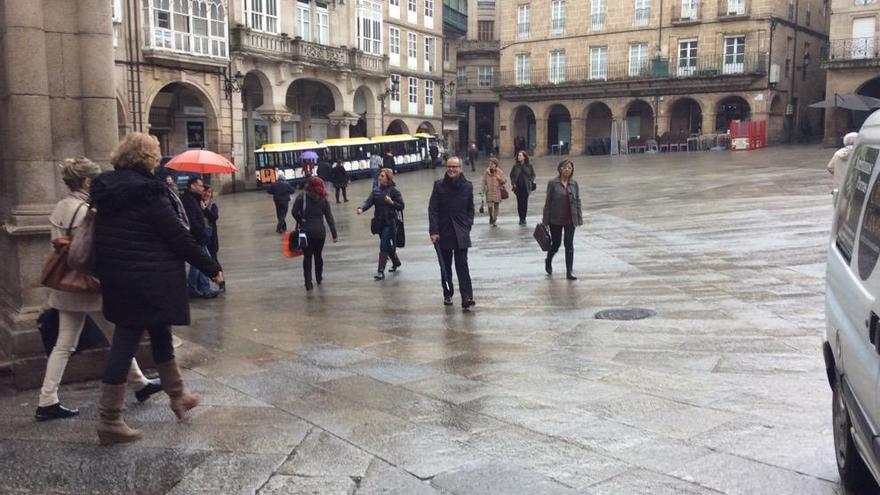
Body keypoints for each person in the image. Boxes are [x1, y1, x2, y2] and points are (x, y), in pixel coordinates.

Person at [90, 132, 223, 445]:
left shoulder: (106, 190)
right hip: (149, 278)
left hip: (119, 276)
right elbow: (176, 236)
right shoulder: (148, 192)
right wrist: (211, 267)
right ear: (148, 158)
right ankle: (109, 419)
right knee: (124, 344)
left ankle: (178, 396)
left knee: (160, 333)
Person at [35, 157, 162, 422]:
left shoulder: (60, 206)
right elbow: (96, 251)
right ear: (86, 181)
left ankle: (48, 399)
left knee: (65, 344)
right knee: (118, 336)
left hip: (65, 286)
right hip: (89, 286)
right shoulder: (85, 210)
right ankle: (139, 385)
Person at [429, 156, 475, 309]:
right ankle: (448, 293)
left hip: (461, 231)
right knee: (446, 266)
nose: (451, 169)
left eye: (455, 166)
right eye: (449, 166)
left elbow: (470, 209)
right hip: (444, 231)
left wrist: (468, 225)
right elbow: (433, 210)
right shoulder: (439, 186)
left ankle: (467, 297)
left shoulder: (467, 186)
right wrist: (434, 230)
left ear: (460, 168)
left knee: (462, 265)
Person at [357, 168, 404, 280]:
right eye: (379, 176)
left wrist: (391, 202)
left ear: (388, 178)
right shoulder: (376, 191)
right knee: (386, 244)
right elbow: (368, 202)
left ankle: (380, 271)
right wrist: (361, 209)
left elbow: (401, 206)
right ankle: (396, 262)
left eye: (382, 176)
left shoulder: (394, 191)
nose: (379, 178)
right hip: (379, 222)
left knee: (383, 244)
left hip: (390, 222)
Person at [292, 177, 338, 290]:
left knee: (307, 256)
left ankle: (308, 282)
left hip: (306, 231)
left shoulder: (301, 197)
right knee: (318, 255)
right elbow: (329, 217)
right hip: (320, 232)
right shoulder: (323, 199)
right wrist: (334, 233)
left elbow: (294, 212)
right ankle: (319, 277)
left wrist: (300, 220)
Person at [542, 159, 583, 280]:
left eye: (569, 168)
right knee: (556, 244)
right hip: (556, 218)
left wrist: (579, 217)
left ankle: (569, 271)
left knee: (569, 244)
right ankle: (548, 260)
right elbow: (548, 202)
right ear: (560, 169)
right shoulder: (553, 183)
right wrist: (546, 221)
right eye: (565, 167)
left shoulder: (574, 184)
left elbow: (578, 201)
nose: (567, 170)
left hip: (571, 218)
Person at [181, 177, 218, 299]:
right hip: (197, 236)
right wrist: (202, 234)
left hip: (198, 236)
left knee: (198, 263)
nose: (202, 188)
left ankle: (194, 287)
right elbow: (192, 221)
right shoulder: (188, 200)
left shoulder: (194, 199)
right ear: (192, 186)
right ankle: (203, 288)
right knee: (203, 261)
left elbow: (211, 217)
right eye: (200, 186)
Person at [202, 186, 224, 292]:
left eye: (209, 192)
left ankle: (221, 282)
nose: (207, 194)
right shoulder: (198, 202)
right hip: (202, 236)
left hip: (211, 237)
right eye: (205, 191)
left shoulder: (212, 205)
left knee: (214, 259)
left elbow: (214, 217)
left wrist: (205, 209)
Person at [510, 150, 536, 225]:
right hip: (518, 187)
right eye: (518, 155)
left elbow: (533, 175)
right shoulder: (515, 166)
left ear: (524, 157)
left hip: (526, 186)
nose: (519, 157)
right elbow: (512, 175)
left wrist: (530, 181)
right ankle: (520, 218)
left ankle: (524, 218)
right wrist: (513, 183)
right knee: (519, 203)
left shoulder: (529, 165)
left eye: (520, 156)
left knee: (524, 203)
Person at [481, 157, 507, 227]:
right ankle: (491, 217)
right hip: (489, 191)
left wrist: (500, 179)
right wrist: (482, 191)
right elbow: (483, 181)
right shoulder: (486, 172)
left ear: (495, 164)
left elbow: (504, 181)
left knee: (496, 206)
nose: (490, 165)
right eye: (490, 163)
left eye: (492, 164)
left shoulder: (500, 172)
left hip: (497, 190)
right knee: (490, 206)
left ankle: (494, 220)